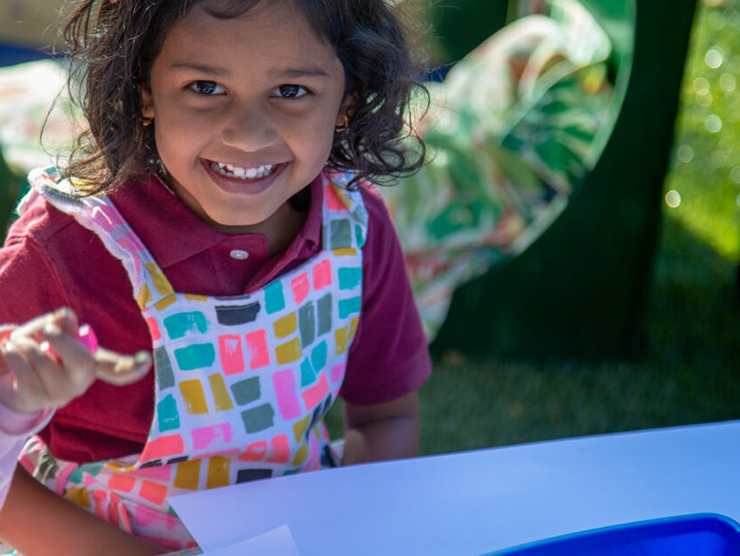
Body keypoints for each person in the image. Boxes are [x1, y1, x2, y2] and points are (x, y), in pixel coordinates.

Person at [0, 0, 431, 554]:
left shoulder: (356, 227)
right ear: (144, 90)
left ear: (346, 101)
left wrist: (342, 534)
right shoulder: (59, 252)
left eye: (292, 91)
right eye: (205, 87)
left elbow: (388, 416)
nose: (248, 135)